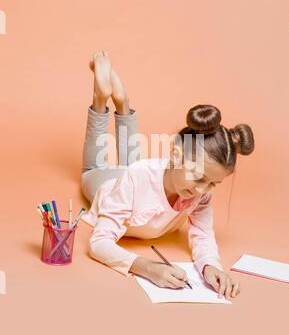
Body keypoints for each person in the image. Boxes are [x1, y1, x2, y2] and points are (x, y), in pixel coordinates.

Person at [80, 50, 255, 299]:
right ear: (175, 154)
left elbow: (203, 235)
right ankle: (101, 99)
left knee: (134, 164)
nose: (203, 191)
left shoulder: (198, 190)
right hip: (110, 186)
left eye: (213, 184)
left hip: (140, 177)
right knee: (95, 168)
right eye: (199, 178)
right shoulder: (137, 177)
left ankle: (123, 102)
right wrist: (146, 267)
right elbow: (99, 243)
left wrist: (211, 267)